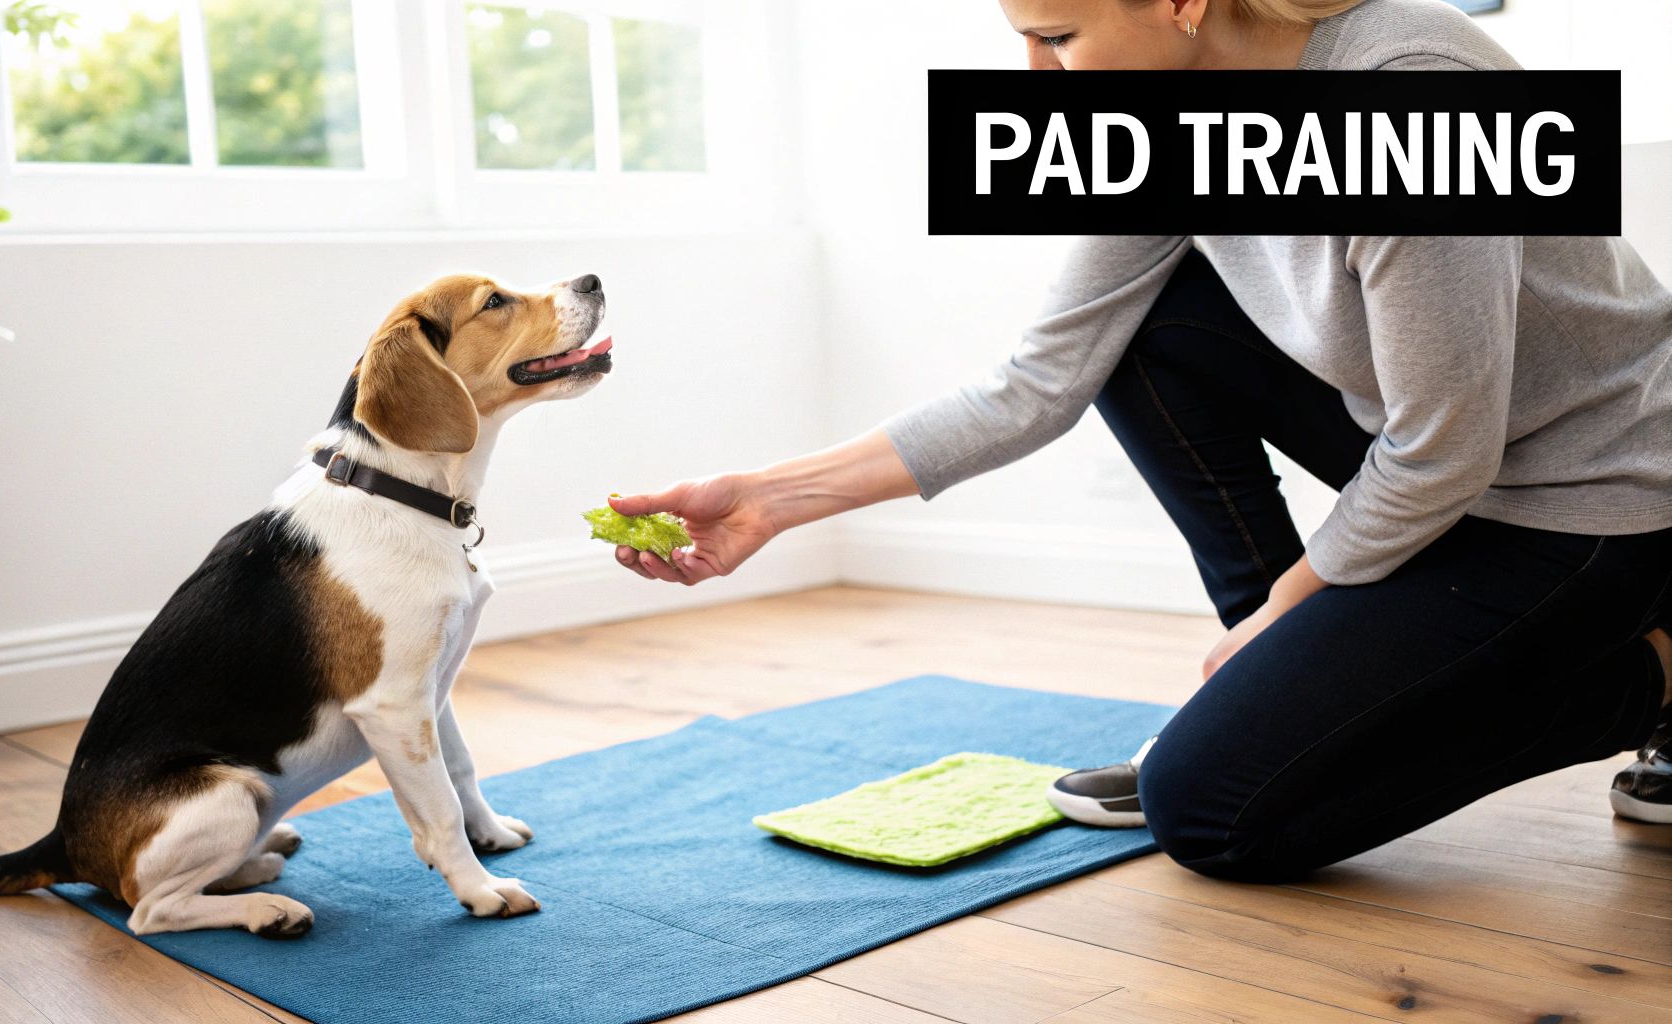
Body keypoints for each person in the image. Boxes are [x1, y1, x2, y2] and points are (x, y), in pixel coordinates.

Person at [607, 0, 1672, 882]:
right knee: (1140, 331)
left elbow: (1444, 450)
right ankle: (1278, 688)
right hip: (1446, 463)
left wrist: (1285, 608)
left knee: (1209, 813)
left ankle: (1655, 677)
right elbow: (1039, 379)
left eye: (1057, 39)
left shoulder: (1412, 87)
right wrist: (768, 497)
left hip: (1592, 491)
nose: (1033, 73)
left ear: (1179, 3)